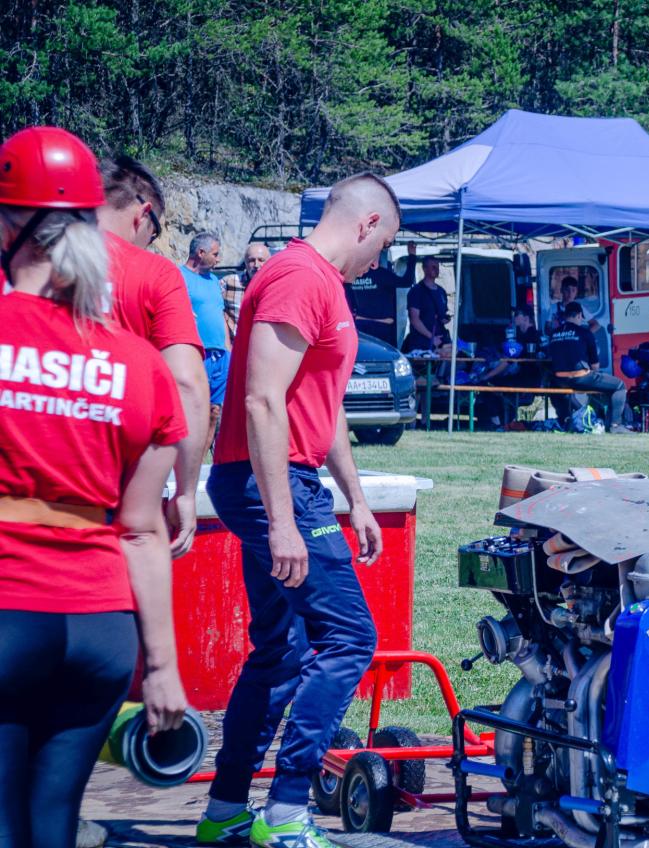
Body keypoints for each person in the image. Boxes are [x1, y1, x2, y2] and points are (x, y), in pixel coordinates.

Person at [0, 126, 187, 848]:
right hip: (101, 629)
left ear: (10, 227)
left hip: (9, 606)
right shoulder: (138, 363)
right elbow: (141, 529)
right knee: (52, 823)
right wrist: (162, 668)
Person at [197, 173, 396, 848]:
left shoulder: (325, 286)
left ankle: (226, 810)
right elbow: (261, 399)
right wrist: (283, 520)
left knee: (282, 652)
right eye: (383, 247)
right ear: (367, 225)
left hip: (288, 480)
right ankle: (285, 812)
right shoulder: (298, 277)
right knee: (349, 638)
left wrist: (356, 498)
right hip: (269, 483)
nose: (378, 263)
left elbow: (323, 404)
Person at [97, 153, 209, 558]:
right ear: (143, 213)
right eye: (155, 231)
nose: (151, 241)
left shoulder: (23, 262)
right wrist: (185, 491)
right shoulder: (155, 273)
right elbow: (187, 384)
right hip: (113, 486)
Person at [548, 301, 633, 433]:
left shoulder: (553, 334)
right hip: (580, 378)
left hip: (559, 381)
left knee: (554, 385)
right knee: (619, 386)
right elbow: (595, 366)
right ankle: (615, 425)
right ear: (579, 315)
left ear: (565, 316)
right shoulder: (585, 332)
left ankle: (565, 419)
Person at [179, 231, 229, 456]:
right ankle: (182, 459)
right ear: (201, 253)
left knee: (214, 411)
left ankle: (198, 462)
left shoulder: (214, 281)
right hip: (196, 354)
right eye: (215, 254)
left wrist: (228, 350)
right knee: (191, 409)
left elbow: (220, 315)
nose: (218, 259)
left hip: (221, 356)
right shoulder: (178, 276)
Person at [349, 241, 419, 345]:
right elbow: (407, 281)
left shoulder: (353, 275)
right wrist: (412, 255)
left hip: (359, 325)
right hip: (381, 326)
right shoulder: (382, 274)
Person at [221, 242, 270, 345]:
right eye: (251, 260)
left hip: (264, 347)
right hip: (236, 347)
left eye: (261, 260)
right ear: (245, 263)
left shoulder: (276, 286)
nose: (256, 265)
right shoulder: (228, 283)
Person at [401, 254, 449, 355]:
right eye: (433, 267)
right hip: (421, 343)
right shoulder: (416, 291)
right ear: (424, 269)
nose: (436, 270)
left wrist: (445, 319)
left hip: (440, 341)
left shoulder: (442, 292)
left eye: (437, 267)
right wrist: (431, 337)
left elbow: (442, 315)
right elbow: (414, 319)